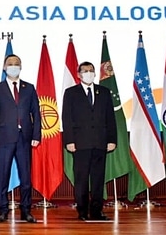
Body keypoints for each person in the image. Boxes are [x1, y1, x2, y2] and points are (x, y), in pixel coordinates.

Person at [0, 54, 41, 223]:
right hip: (3, 139)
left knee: (26, 178)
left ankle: (26, 211)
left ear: (21, 66)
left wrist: (36, 135)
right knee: (2, 176)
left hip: (25, 139)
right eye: (10, 64)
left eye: (16, 64)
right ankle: (3, 210)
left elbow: (36, 114)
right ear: (4, 67)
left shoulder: (29, 88)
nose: (13, 66)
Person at [62, 61, 117, 221]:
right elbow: (67, 118)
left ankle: (97, 212)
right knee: (81, 180)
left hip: (100, 143)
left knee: (98, 179)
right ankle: (82, 211)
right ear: (79, 75)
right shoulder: (71, 93)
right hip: (80, 144)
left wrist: (112, 139)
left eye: (91, 71)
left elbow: (110, 119)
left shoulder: (104, 92)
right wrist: (69, 141)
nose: (89, 73)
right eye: (85, 71)